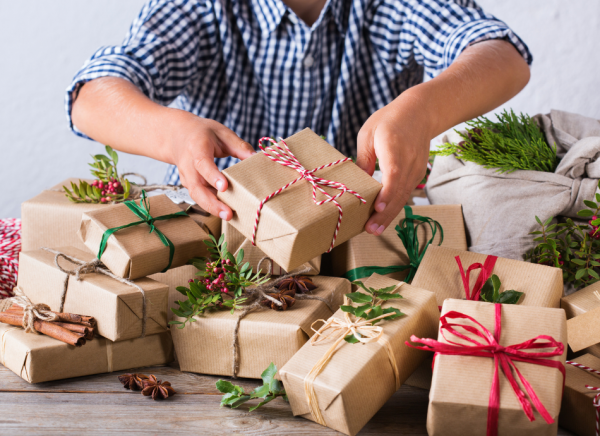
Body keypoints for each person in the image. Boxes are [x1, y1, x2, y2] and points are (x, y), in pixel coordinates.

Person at [67, 0, 531, 235]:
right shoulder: (203, 8)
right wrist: (172, 132)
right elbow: (93, 95)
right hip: (210, 238)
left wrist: (423, 110)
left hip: (363, 247)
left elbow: (501, 55)